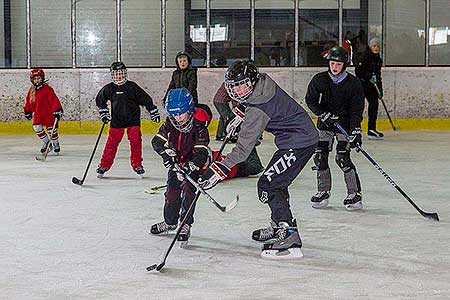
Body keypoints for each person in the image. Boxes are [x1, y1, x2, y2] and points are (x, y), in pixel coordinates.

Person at [198, 60, 319, 260]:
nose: (238, 91)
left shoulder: (257, 110)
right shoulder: (262, 83)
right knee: (277, 181)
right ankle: (277, 225)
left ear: (252, 82)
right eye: (234, 86)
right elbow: (253, 102)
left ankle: (289, 236)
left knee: (268, 184)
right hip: (295, 137)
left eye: (242, 85)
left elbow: (243, 150)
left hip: (299, 141)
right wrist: (239, 113)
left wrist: (219, 169)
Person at [305, 46, 365, 211]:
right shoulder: (320, 80)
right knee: (320, 157)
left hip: (344, 126)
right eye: (332, 63)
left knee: (342, 158)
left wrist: (356, 131)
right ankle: (323, 191)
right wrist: (322, 114)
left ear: (345, 65)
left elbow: (356, 110)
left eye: (338, 64)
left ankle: (354, 194)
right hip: (325, 125)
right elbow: (310, 100)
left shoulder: (354, 84)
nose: (334, 67)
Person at [150, 88, 211, 247]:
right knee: (171, 194)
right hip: (176, 165)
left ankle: (185, 224)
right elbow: (156, 142)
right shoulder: (170, 122)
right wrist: (167, 157)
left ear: (189, 110)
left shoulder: (199, 126)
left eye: (180, 113)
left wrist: (190, 167)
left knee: (189, 194)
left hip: (191, 166)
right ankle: (170, 222)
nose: (177, 118)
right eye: (174, 114)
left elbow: (201, 151)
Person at [95, 62, 160, 178]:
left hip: (133, 120)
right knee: (111, 143)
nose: (119, 76)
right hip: (117, 121)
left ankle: (137, 164)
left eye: (121, 74)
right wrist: (104, 112)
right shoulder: (109, 88)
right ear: (112, 75)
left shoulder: (132, 87)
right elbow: (100, 100)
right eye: (116, 74)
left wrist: (152, 110)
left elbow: (145, 99)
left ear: (125, 74)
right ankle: (104, 165)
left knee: (135, 142)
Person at [24, 68, 63, 155]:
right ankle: (46, 142)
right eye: (35, 79)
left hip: (49, 114)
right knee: (37, 127)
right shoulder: (32, 91)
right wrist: (28, 111)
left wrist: (57, 110)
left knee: (51, 131)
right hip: (38, 114)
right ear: (32, 80)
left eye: (38, 78)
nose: (37, 80)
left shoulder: (48, 89)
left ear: (42, 78)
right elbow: (29, 102)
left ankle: (55, 143)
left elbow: (54, 100)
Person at [355, 37, 384, 140]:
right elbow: (358, 71)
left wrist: (380, 89)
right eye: (374, 46)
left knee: (374, 105)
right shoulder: (364, 57)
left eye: (378, 46)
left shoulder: (378, 59)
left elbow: (378, 75)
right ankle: (355, 128)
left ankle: (371, 129)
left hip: (372, 87)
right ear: (370, 47)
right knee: (359, 108)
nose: (376, 48)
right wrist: (367, 77)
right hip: (362, 86)